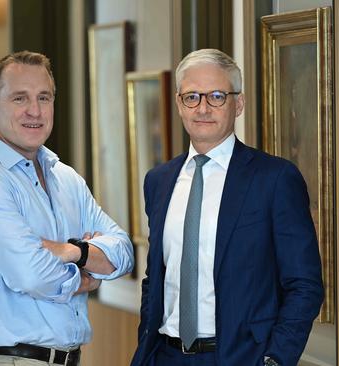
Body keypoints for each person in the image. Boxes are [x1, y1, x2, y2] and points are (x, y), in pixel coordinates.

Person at [130, 49, 323, 366]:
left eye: (217, 96)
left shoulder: (274, 179)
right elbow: (156, 278)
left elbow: (305, 285)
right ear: (179, 104)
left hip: (240, 357)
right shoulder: (159, 181)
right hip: (164, 356)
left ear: (239, 104)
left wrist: (275, 359)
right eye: (192, 96)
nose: (203, 108)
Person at [0, 50, 134, 366]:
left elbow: (124, 253)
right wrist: (85, 278)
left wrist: (74, 251)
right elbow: (32, 275)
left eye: (44, 98)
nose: (35, 110)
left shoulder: (66, 178)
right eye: (20, 99)